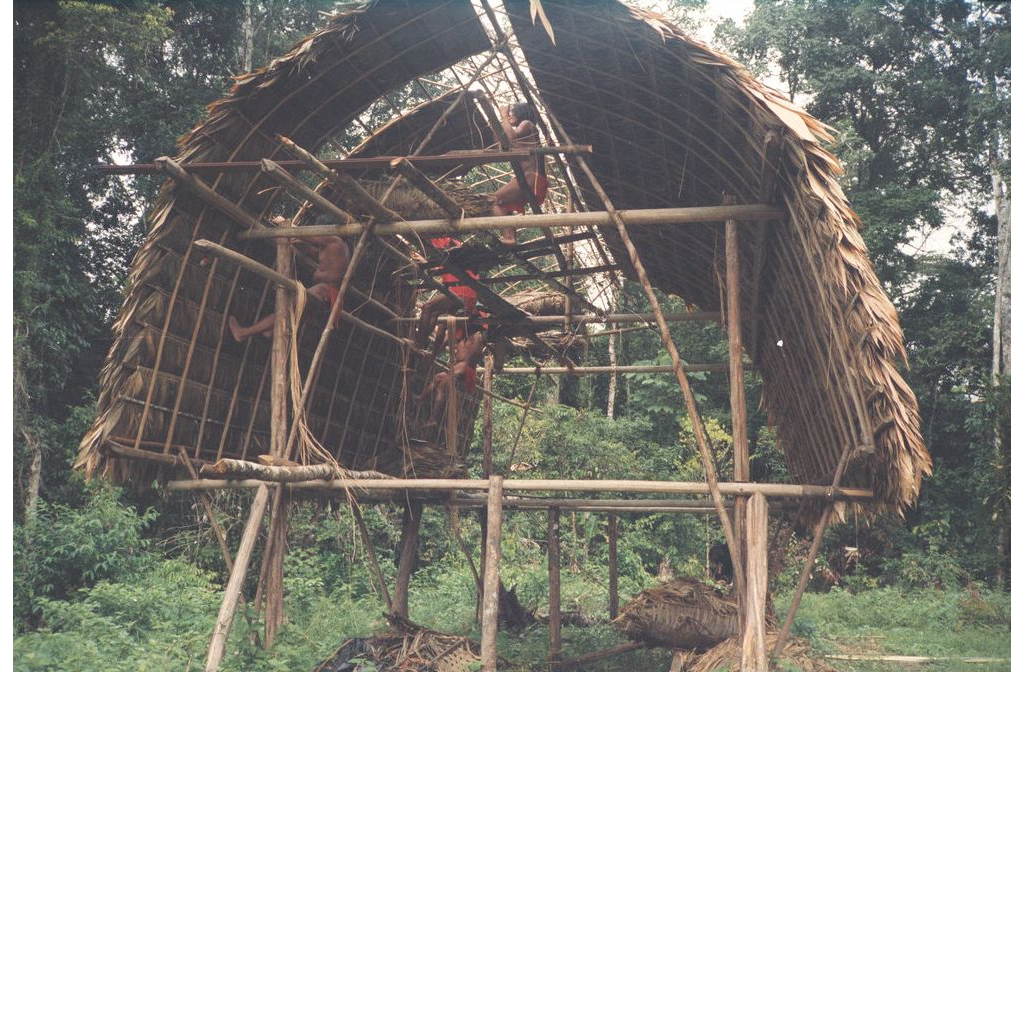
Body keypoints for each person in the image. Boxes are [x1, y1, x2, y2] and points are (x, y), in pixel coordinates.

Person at [228, 214, 351, 341]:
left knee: (285, 311)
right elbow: (314, 252)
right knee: (291, 315)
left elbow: (304, 233)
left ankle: (243, 333)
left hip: (324, 291)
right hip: (327, 293)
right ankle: (269, 330)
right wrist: (300, 245)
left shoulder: (334, 240)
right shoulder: (338, 247)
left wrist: (284, 223)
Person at [490, 101, 549, 246]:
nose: (510, 116)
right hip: (528, 178)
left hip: (531, 178)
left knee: (492, 199)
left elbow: (509, 138)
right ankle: (509, 237)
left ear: (521, 114)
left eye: (512, 114)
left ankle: (509, 236)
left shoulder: (527, 124)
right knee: (503, 204)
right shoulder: (523, 132)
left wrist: (503, 116)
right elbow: (502, 141)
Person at [417, 316, 487, 428]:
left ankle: (433, 419)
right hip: (458, 367)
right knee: (438, 377)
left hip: (464, 368)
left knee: (442, 387)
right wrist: (434, 354)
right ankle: (421, 398)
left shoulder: (478, 337)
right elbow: (447, 340)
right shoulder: (463, 334)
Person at [414, 235, 480, 350]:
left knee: (427, 307)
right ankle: (422, 344)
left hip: (463, 292)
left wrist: (425, 261)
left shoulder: (450, 243)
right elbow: (440, 273)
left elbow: (449, 254)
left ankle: (418, 343)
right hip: (461, 292)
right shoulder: (443, 256)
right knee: (434, 313)